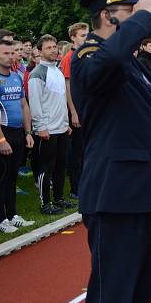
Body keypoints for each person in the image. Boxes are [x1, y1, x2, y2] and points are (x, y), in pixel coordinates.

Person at [71, 0, 151, 303]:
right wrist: (139, 21)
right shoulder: (90, 57)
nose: (141, 18)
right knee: (112, 297)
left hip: (141, 193)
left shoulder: (130, 62)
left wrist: (140, 21)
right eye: (129, 11)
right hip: (115, 195)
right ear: (107, 16)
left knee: (137, 296)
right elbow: (106, 63)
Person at [0, 39, 36, 233]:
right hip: (2, 133)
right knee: (1, 177)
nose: (10, 56)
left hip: (18, 132)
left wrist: (28, 131)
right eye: (5, 53)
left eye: (12, 53)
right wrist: (0, 139)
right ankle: (1, 219)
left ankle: (13, 215)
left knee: (13, 177)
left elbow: (23, 105)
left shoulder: (16, 77)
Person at [29, 35, 73, 215]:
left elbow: (61, 100)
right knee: (46, 167)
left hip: (61, 127)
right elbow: (35, 102)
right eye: (48, 48)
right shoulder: (37, 74)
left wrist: (66, 123)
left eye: (55, 47)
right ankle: (45, 202)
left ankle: (59, 198)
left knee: (60, 165)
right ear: (39, 52)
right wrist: (41, 127)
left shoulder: (58, 71)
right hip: (47, 130)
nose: (53, 50)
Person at [61, 22, 89, 202]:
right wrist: (74, 112)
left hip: (90, 109)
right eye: (83, 35)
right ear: (73, 37)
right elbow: (68, 87)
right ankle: (75, 188)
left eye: (88, 34)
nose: (87, 38)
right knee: (77, 152)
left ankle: (88, 184)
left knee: (89, 150)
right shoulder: (69, 58)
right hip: (77, 110)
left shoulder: (88, 55)